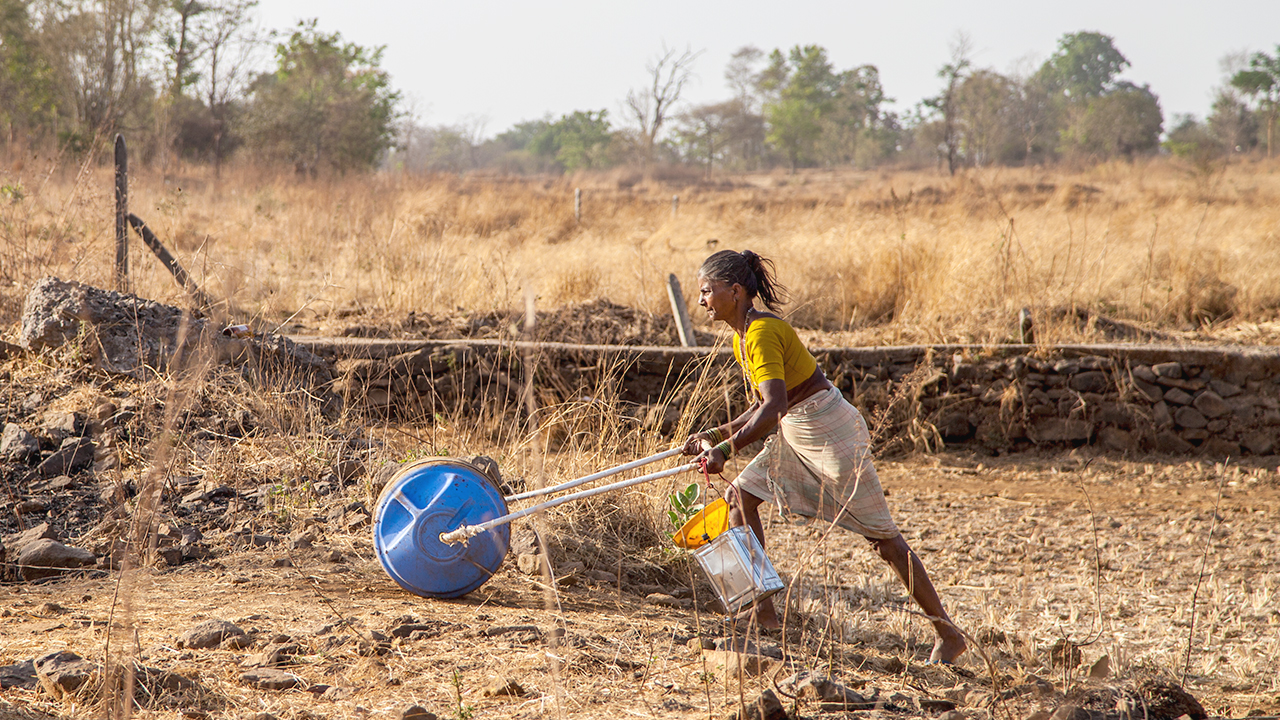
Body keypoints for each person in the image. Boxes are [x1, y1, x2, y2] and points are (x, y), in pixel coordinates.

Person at [682, 249, 966, 665]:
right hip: (797, 428)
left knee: (883, 540)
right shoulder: (742, 335)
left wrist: (727, 448)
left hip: (829, 432)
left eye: (707, 292)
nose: (703, 301)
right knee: (740, 498)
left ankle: (948, 631)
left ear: (736, 291)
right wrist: (716, 434)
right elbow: (770, 405)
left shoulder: (760, 333)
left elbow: (773, 406)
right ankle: (764, 615)